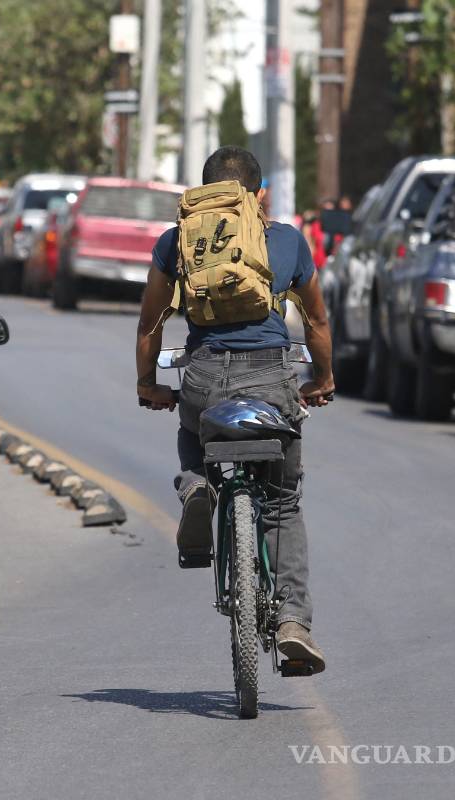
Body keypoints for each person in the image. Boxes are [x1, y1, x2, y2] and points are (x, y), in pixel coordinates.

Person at [135, 146, 334, 673]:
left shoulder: (178, 241)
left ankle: (198, 485)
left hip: (203, 380)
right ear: (259, 194)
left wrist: (148, 384)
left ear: (204, 195)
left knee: (192, 435)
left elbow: (150, 325)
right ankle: (292, 621)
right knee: (282, 503)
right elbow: (316, 323)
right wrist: (324, 378)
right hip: (271, 378)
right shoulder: (287, 241)